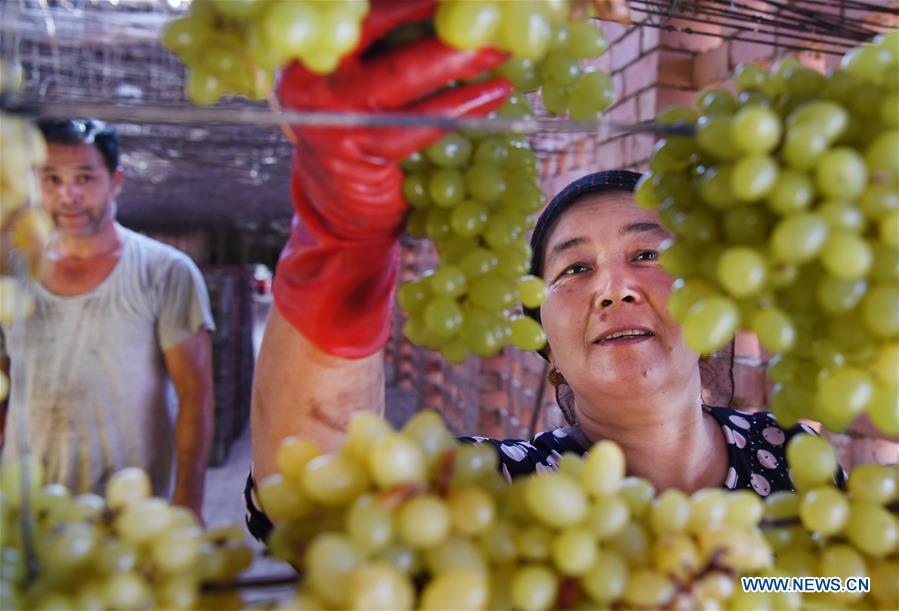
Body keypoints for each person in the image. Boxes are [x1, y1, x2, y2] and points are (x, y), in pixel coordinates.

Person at [246, 0, 842, 541]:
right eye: (575, 268)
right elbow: (310, 501)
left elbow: (843, 590)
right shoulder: (495, 493)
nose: (613, 289)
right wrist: (343, 239)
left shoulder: (794, 460)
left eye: (648, 255)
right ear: (546, 342)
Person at [0, 119, 215, 520]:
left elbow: (195, 395)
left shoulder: (164, 271)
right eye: (52, 179)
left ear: (115, 181)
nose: (68, 195)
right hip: (30, 507)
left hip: (127, 508)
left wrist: (189, 501)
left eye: (85, 178)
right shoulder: (12, 274)